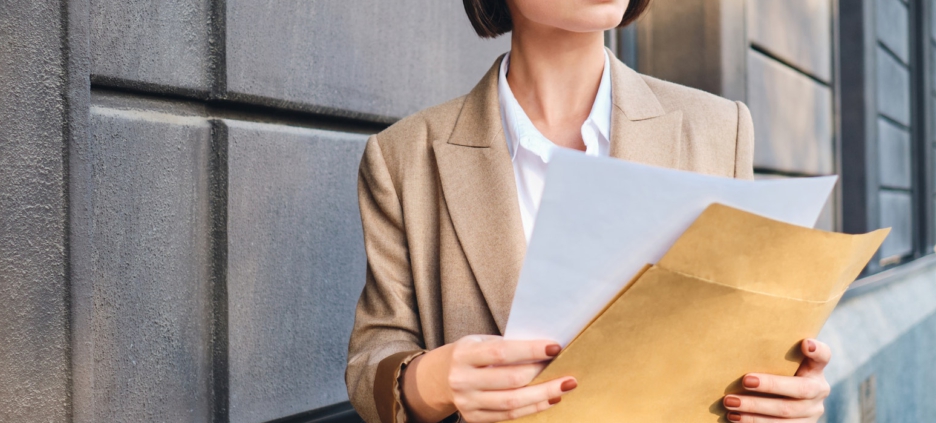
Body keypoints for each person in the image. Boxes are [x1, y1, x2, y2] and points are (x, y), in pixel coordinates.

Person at [346, 1, 832, 422]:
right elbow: (374, 358)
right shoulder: (404, 156)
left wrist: (785, 398)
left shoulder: (718, 131)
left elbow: (743, 337)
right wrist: (436, 381)